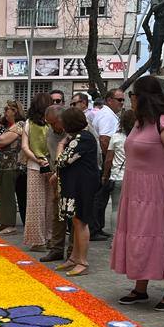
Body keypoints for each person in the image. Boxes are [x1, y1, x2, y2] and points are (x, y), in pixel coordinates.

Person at [110, 77, 164, 308]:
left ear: (141, 97)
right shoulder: (142, 122)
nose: (130, 101)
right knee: (141, 238)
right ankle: (140, 288)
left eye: (132, 96)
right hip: (140, 192)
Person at [52, 107, 100, 276]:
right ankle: (74, 258)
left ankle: (82, 262)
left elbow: (61, 160)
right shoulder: (79, 137)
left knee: (81, 221)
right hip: (76, 183)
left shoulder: (83, 138)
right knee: (75, 221)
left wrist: (60, 144)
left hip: (83, 185)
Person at [90, 88, 124, 238]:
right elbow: (104, 139)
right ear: (109, 100)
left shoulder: (107, 114)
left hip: (105, 159)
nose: (122, 103)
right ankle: (95, 228)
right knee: (101, 196)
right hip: (106, 159)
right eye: (119, 100)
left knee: (102, 196)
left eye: (123, 100)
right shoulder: (107, 116)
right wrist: (108, 161)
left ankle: (97, 227)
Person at [20, 92, 52, 251]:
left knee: (35, 205)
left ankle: (38, 241)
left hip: (34, 166)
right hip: (53, 166)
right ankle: (52, 237)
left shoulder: (29, 123)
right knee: (52, 203)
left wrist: (37, 159)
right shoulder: (54, 122)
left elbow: (24, 147)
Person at [0, 101, 25, 234]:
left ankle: (10, 224)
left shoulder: (20, 125)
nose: (5, 112)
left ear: (15, 111)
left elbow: (0, 141)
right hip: (1, 165)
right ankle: (3, 223)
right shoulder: (8, 126)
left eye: (8, 109)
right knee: (1, 195)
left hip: (11, 165)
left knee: (8, 195)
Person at [41, 105, 68, 262]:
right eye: (49, 123)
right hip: (56, 178)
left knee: (73, 217)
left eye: (54, 123)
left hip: (73, 178)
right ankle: (56, 249)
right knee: (57, 215)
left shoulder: (75, 131)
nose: (51, 126)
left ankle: (73, 252)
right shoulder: (51, 132)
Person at [100, 108, 132, 233]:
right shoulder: (138, 137)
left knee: (116, 208)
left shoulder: (116, 137)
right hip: (133, 178)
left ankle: (115, 238)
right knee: (131, 210)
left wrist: (104, 175)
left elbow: (108, 159)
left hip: (117, 177)